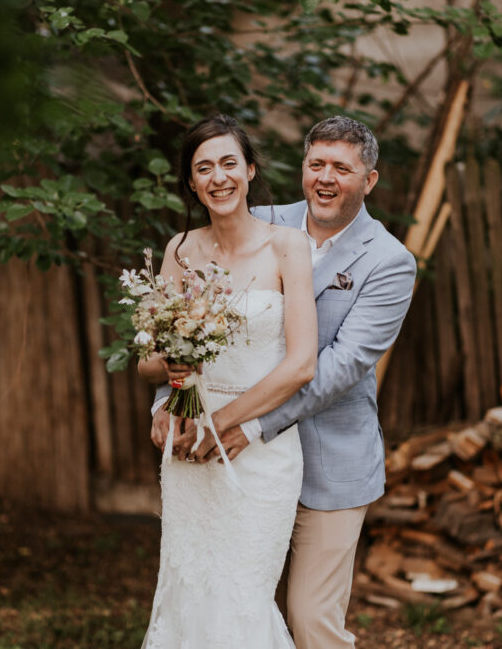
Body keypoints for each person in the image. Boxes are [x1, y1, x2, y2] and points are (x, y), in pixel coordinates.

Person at [159, 115, 417, 648]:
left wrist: (250, 426)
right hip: (233, 462)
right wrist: (172, 399)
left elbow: (337, 369)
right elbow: (189, 328)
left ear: (369, 180)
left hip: (326, 462)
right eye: (316, 163)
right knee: (238, 610)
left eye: (341, 168)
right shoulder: (257, 221)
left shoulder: (390, 262)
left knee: (309, 618)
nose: (326, 178)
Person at [137, 114, 317, 648]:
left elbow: (301, 364)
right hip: (190, 446)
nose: (218, 177)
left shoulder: (288, 246)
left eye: (228, 163)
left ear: (250, 170)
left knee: (244, 595)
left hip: (259, 450)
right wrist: (172, 375)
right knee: (189, 590)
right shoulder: (179, 250)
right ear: (191, 183)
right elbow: (148, 361)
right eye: (204, 168)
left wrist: (222, 422)